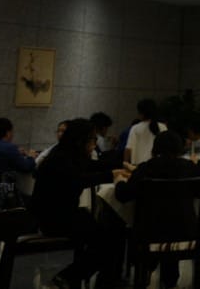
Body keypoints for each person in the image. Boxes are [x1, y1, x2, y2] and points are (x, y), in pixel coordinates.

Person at [116, 130, 200, 289]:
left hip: (150, 234)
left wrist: (119, 181)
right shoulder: (187, 167)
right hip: (187, 233)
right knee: (173, 222)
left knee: (157, 224)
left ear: (156, 147)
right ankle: (169, 280)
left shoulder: (146, 168)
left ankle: (146, 271)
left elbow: (123, 195)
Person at [32, 118, 127, 289]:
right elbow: (77, 180)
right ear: (80, 140)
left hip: (65, 213)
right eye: (92, 139)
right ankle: (66, 278)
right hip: (53, 218)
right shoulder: (60, 158)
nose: (94, 144)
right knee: (107, 243)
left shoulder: (69, 154)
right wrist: (111, 175)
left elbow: (94, 165)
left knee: (110, 236)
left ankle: (77, 279)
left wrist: (122, 166)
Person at [124, 99, 167, 165]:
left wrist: (125, 163)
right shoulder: (162, 127)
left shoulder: (135, 128)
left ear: (141, 113)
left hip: (139, 166)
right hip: (158, 165)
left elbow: (128, 149)